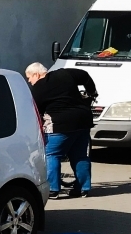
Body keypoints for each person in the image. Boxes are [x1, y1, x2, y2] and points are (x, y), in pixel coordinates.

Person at [25, 62, 97, 198]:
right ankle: (83, 188)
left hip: (61, 124)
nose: (29, 81)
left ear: (36, 74)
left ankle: (53, 189)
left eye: (29, 77)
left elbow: (37, 112)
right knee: (80, 155)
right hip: (83, 119)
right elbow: (85, 75)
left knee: (52, 154)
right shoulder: (64, 73)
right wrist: (91, 92)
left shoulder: (37, 89)